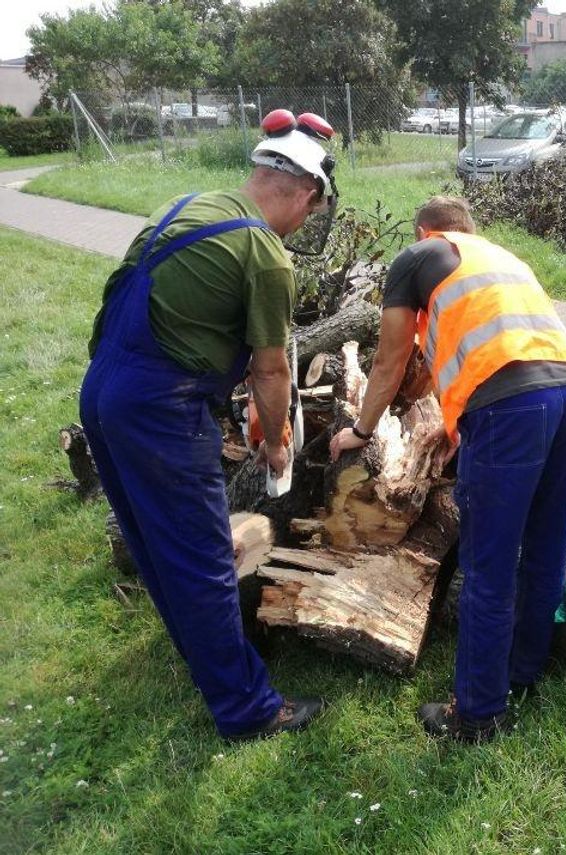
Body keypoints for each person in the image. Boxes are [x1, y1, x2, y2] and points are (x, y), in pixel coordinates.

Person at [80, 112, 337, 741]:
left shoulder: (188, 205)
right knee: (202, 557)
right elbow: (272, 370)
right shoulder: (267, 256)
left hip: (104, 389)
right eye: (312, 208)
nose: (306, 221)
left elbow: (186, 315)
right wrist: (276, 444)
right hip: (162, 408)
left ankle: (207, 658)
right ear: (305, 192)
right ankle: (248, 710)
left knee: (154, 545)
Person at [330, 196, 566, 742]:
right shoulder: (500, 258)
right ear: (468, 230)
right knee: (545, 544)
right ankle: (523, 672)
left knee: (489, 563)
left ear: (425, 230)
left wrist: (360, 429)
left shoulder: (417, 256)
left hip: (509, 404)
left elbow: (390, 358)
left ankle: (476, 713)